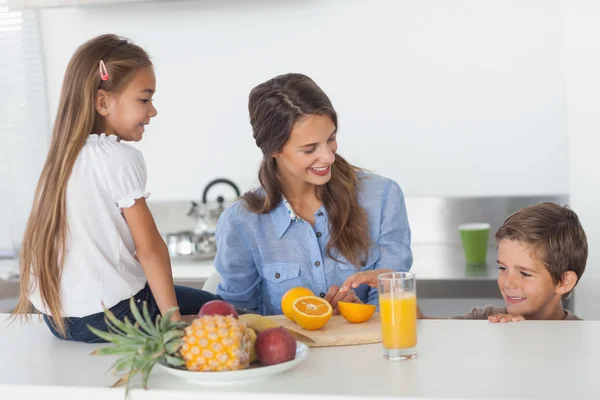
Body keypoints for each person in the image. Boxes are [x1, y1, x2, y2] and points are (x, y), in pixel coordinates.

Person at [11, 34, 218, 343]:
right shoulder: (119, 157)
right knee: (223, 311)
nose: (153, 111)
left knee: (188, 303)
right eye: (144, 99)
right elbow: (150, 249)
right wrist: (171, 322)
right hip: (113, 315)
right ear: (103, 101)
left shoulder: (62, 158)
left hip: (59, 321)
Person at [214, 73, 413, 315]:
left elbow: (392, 303)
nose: (328, 157)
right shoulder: (241, 223)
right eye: (310, 149)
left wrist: (361, 314)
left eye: (331, 139)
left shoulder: (382, 197)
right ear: (274, 149)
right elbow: (238, 317)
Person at [342, 202, 587, 321]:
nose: (508, 282)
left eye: (525, 273)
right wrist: (394, 288)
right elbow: (428, 331)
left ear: (564, 282)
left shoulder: (581, 337)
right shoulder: (486, 320)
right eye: (503, 268)